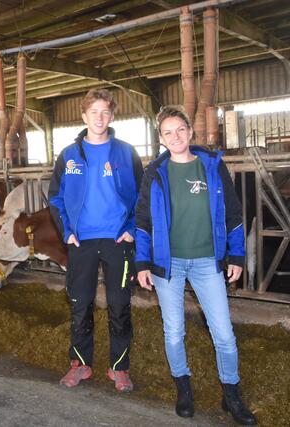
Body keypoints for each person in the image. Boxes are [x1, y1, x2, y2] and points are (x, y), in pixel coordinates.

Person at [135, 106, 256, 425]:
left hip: (207, 262)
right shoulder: (155, 173)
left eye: (180, 130)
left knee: (224, 334)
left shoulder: (213, 167)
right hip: (168, 264)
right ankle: (183, 388)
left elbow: (233, 213)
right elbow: (143, 221)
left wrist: (237, 255)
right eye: (167, 132)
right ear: (161, 139)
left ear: (190, 132)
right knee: (174, 330)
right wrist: (142, 262)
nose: (175, 137)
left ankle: (231, 394)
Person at [48, 88, 143, 392]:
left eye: (105, 112)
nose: (100, 117)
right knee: (79, 304)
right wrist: (67, 231)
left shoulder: (126, 152)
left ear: (112, 116)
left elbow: (142, 196)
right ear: (84, 115)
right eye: (94, 112)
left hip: (118, 240)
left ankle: (119, 367)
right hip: (82, 241)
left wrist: (132, 228)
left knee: (119, 305)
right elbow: (55, 198)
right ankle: (80, 364)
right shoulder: (69, 155)